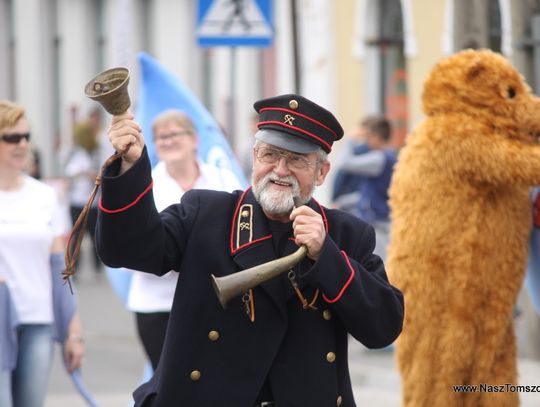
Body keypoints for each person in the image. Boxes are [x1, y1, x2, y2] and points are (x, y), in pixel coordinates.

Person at [96, 94, 404, 406]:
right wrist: (130, 169)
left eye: (297, 159)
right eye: (270, 155)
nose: (280, 170)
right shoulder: (206, 213)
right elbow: (127, 250)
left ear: (322, 172)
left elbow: (383, 329)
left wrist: (327, 256)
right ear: (254, 156)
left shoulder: (347, 234)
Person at [126, 109, 243, 370]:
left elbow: (241, 234)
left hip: (215, 303)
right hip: (159, 307)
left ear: (195, 139)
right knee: (170, 386)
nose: (168, 141)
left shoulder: (223, 178)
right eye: (160, 137)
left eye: (175, 133)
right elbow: (128, 251)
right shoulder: (143, 185)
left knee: (218, 382)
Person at [0, 100, 84, 407]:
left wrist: (73, 332)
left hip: (38, 319)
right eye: (12, 138)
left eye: (26, 137)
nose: (22, 145)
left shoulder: (45, 197)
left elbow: (60, 269)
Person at [334, 115, 397, 260]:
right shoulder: (387, 157)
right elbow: (370, 194)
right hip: (380, 223)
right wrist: (343, 202)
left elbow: (344, 163)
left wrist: (351, 139)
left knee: (380, 271)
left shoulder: (379, 158)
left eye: (368, 137)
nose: (366, 142)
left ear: (375, 136)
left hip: (379, 225)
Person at [64, 111, 103, 274]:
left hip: (92, 202)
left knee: (95, 236)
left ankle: (98, 265)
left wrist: (92, 175)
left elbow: (103, 172)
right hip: (76, 201)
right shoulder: (73, 152)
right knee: (76, 236)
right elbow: (68, 172)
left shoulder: (97, 151)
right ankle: (74, 266)